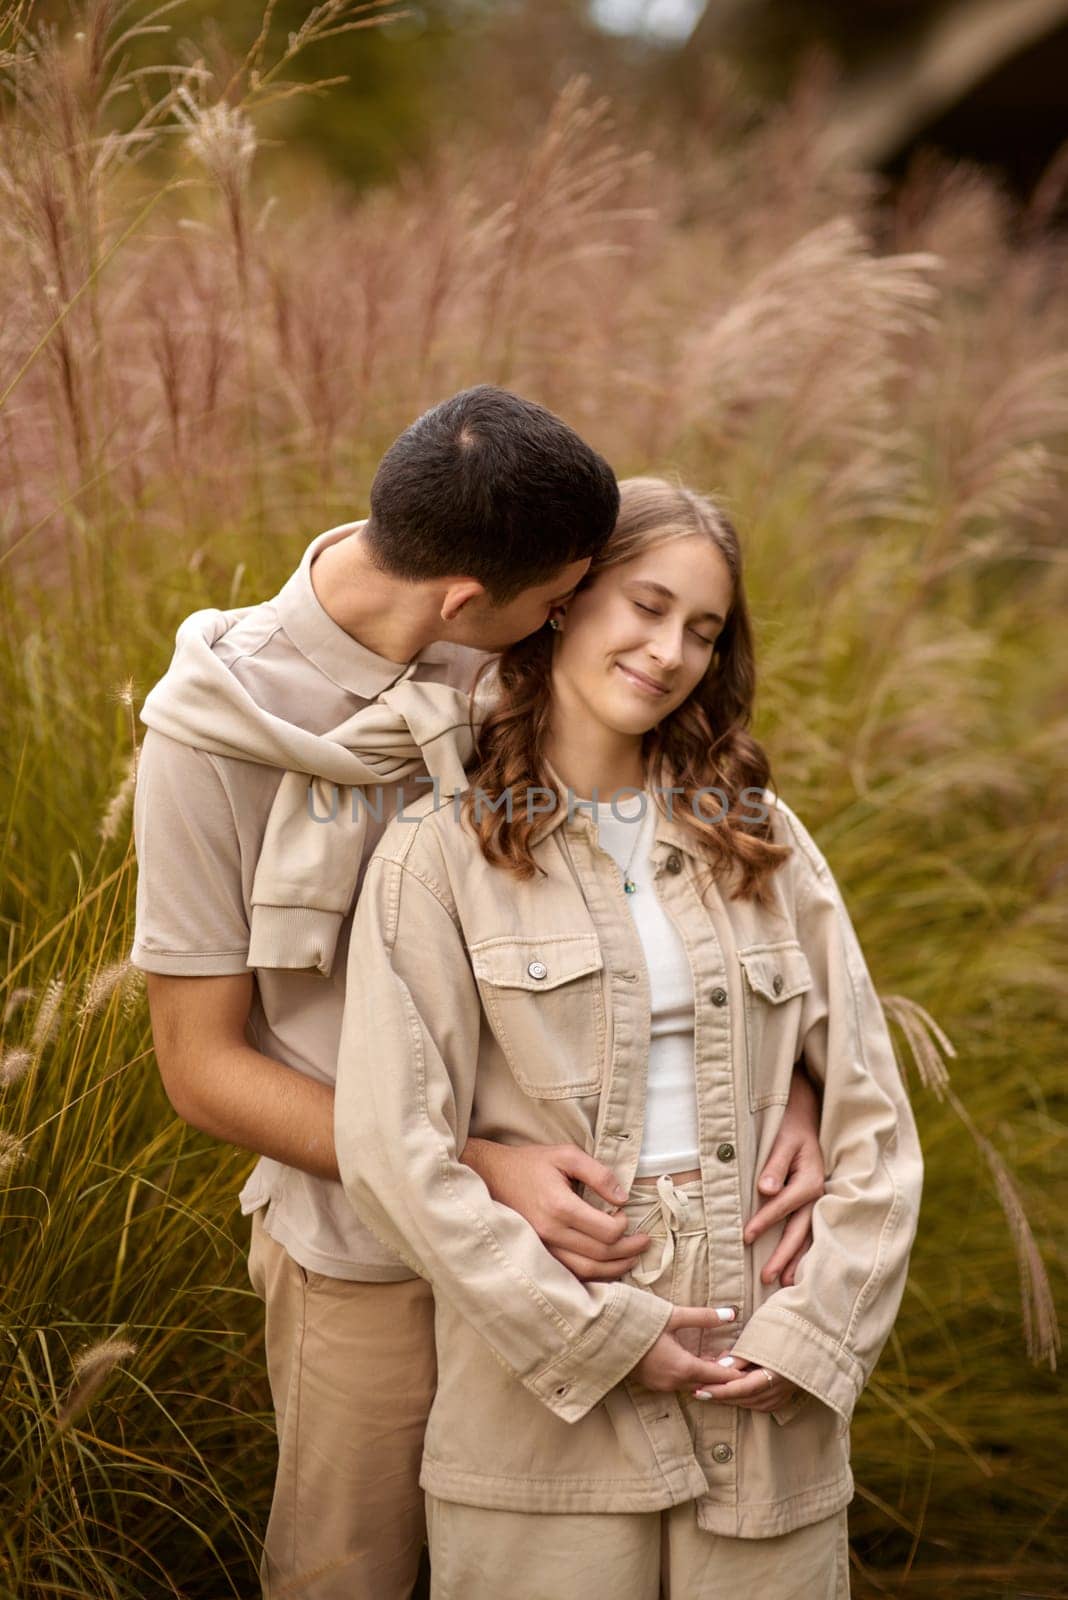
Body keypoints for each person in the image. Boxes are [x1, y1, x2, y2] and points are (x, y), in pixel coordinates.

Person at [129, 394, 825, 1600]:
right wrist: (466, 1163)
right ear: (466, 602)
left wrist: (795, 1085)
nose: (577, 618)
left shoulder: (514, 628)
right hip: (367, 1253)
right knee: (352, 1572)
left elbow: (697, 884)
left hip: (587, 1245)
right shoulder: (211, 736)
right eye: (564, 600)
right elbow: (200, 1066)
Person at [334, 476, 924, 1600]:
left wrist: (814, 1337)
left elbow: (870, 1119)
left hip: (765, 1402)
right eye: (645, 607)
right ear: (564, 602)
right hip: (540, 1430)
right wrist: (593, 1339)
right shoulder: (439, 855)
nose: (670, 651)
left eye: (703, 630)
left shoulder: (757, 837)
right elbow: (391, 1149)